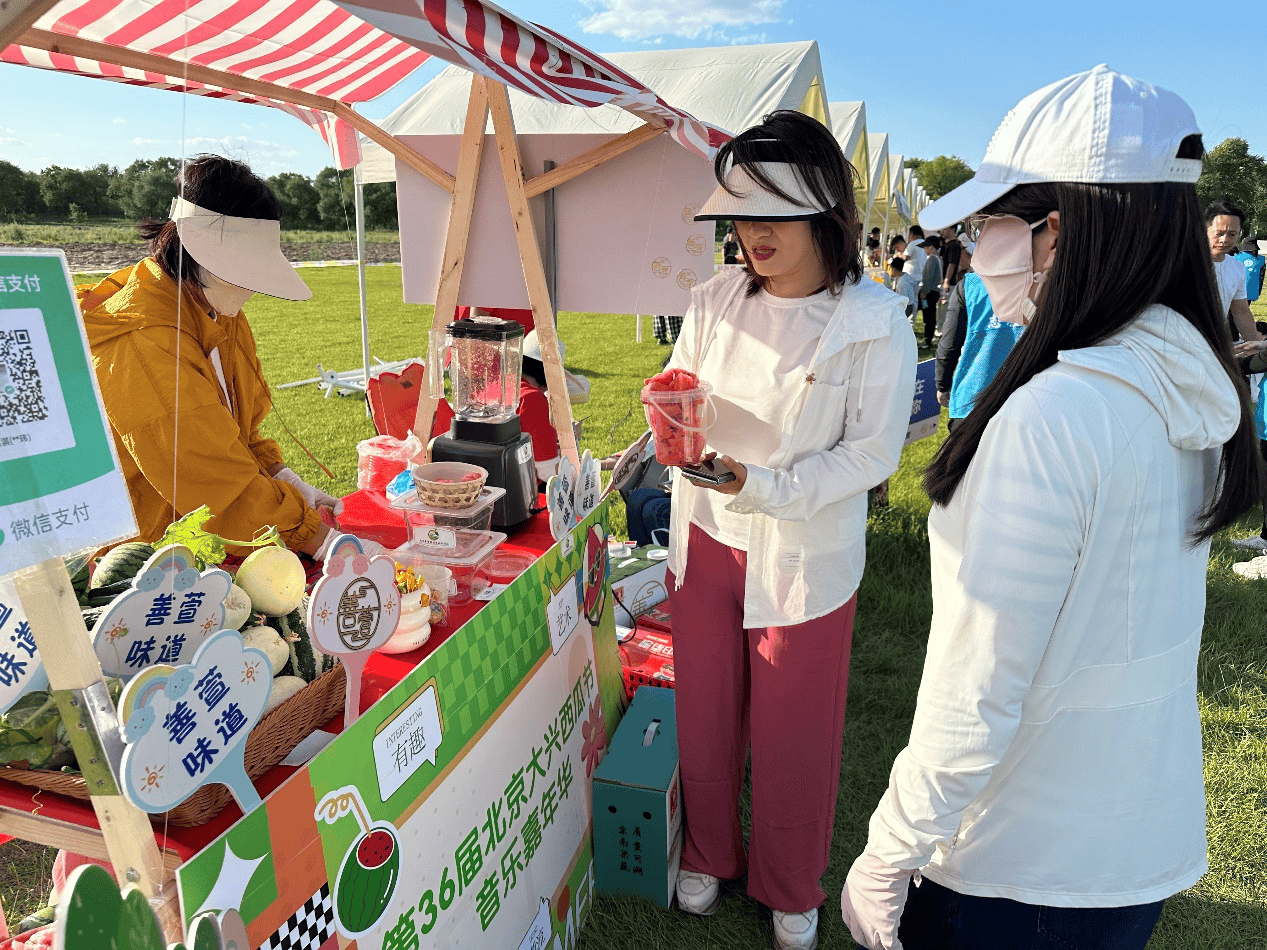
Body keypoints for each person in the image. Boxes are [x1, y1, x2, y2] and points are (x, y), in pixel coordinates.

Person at [841, 65, 1259, 950]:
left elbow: (977, 682)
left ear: (1055, 231)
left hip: (1013, 862)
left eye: (992, 221)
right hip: (1129, 842)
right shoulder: (1184, 385)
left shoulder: (1053, 415)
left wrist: (888, 849)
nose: (978, 245)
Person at [671, 110, 917, 950]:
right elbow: (683, 387)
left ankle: (788, 879)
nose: (751, 235)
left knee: (794, 725)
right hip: (706, 529)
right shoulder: (712, 298)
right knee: (704, 706)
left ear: (825, 215)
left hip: (804, 546)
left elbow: (871, 454)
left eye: (772, 215)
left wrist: (766, 482)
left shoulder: (875, 319)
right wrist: (667, 406)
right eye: (740, 215)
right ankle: (707, 848)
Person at [80, 155, 386, 563]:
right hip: (146, 558)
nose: (253, 287)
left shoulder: (213, 309)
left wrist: (282, 476)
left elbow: (236, 434)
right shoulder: (146, 341)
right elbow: (209, 479)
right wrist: (317, 539)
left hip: (204, 541)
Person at [934, 272, 1023, 433]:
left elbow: (949, 345)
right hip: (1025, 405)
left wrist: (942, 384)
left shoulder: (971, 284)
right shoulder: (1045, 281)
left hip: (972, 399)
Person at [1206, 198, 1260, 342]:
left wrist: (1255, 345)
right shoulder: (1180, 262)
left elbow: (1241, 311)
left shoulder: (1237, 267)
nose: (1224, 240)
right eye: (1219, 233)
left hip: (1214, 345)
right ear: (1205, 229)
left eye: (1232, 234)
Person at [916, 235, 943, 347]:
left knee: (929, 317)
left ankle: (928, 340)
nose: (924, 250)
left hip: (930, 292)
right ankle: (928, 339)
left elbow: (928, 277)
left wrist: (924, 291)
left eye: (926, 247)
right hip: (932, 292)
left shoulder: (932, 259)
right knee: (929, 316)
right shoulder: (937, 258)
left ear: (931, 247)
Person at [1233, 234, 1264, 303]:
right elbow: (1261, 278)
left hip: (1236, 293)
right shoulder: (1261, 259)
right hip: (1251, 293)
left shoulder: (1235, 258)